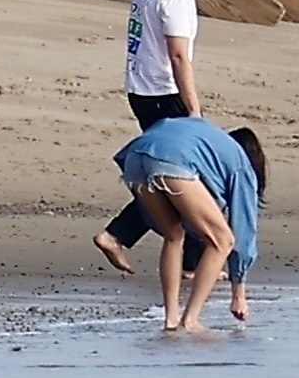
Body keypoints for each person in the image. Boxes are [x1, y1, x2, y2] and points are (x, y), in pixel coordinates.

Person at [93, 0, 235, 276]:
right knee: (186, 177)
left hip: (141, 87)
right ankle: (131, 239)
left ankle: (141, 242)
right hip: (162, 91)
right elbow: (178, 56)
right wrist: (194, 110)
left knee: (168, 175)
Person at [111, 116, 268, 332]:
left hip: (136, 156)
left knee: (173, 235)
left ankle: (171, 320)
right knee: (222, 241)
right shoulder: (242, 167)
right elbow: (244, 231)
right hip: (171, 159)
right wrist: (238, 294)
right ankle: (190, 320)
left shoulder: (209, 144)